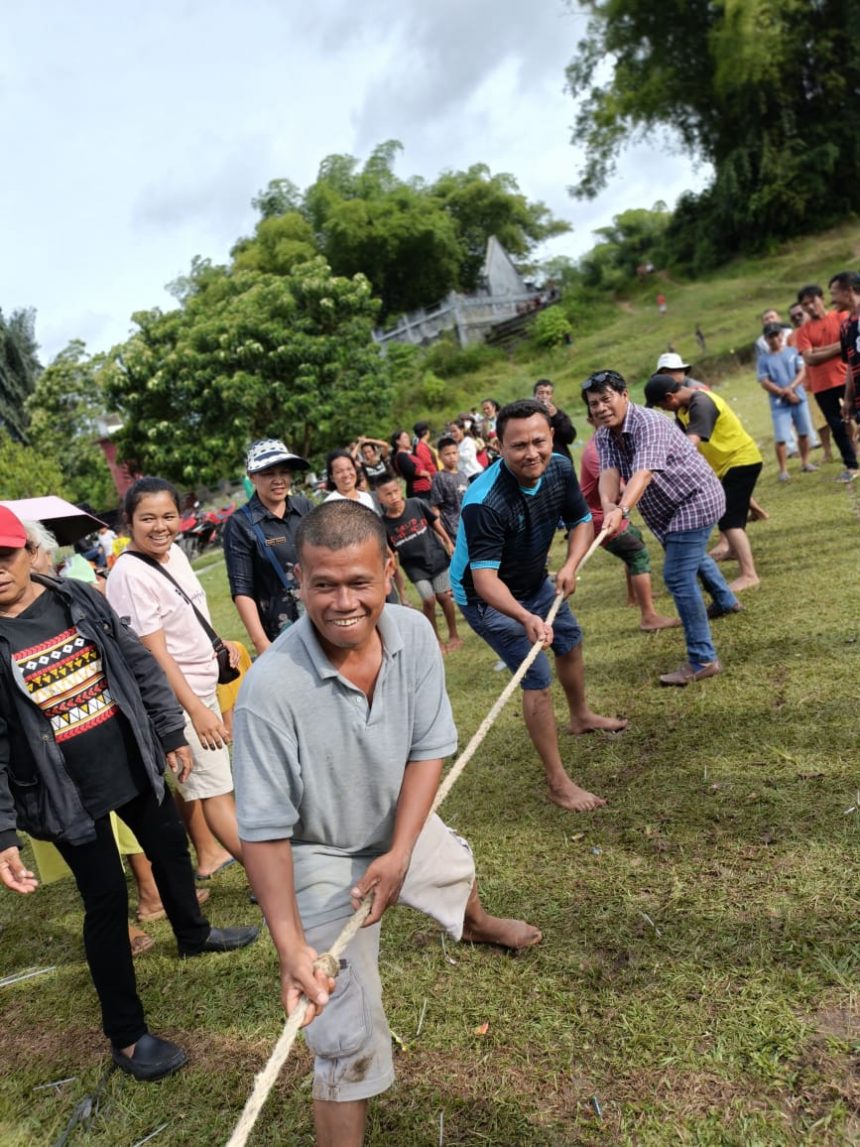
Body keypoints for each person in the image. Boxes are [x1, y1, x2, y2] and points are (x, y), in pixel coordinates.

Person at [231, 500, 540, 1147]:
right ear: (298, 580)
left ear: (388, 569)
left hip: (397, 819)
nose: (342, 601)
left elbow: (429, 747)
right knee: (341, 1038)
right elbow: (261, 830)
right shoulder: (268, 691)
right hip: (317, 857)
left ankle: (476, 924)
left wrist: (400, 851)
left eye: (358, 581)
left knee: (451, 863)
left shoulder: (414, 633)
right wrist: (290, 945)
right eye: (323, 584)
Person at [0, 506, 258, 1082]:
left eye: (5, 554)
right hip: (67, 798)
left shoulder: (75, 597)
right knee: (107, 904)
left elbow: (135, 662)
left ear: (26, 551)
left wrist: (168, 731)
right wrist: (2, 833)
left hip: (135, 763)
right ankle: (128, 1035)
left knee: (170, 848)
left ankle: (192, 933)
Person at [451, 398, 627, 812]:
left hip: (534, 582)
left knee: (570, 640)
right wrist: (525, 616)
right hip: (487, 600)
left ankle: (581, 716)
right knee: (537, 679)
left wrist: (570, 565)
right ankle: (559, 783)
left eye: (538, 441)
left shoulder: (560, 468)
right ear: (498, 447)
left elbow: (582, 520)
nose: (531, 453)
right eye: (518, 446)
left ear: (551, 437)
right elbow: (484, 580)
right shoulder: (484, 502)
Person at [107, 477, 247, 869]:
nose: (160, 526)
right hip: (179, 700)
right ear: (128, 521)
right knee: (217, 791)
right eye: (147, 518)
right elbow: (154, 655)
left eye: (168, 516)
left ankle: (211, 856)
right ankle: (267, 876)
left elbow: (190, 611)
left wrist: (218, 645)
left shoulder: (174, 554)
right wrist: (197, 711)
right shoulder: (130, 575)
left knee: (205, 785)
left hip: (200, 685)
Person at [584, 370, 740, 686]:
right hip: (667, 510)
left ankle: (703, 659)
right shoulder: (605, 434)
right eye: (593, 403)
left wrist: (623, 508)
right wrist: (608, 504)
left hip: (695, 499)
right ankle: (725, 600)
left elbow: (642, 473)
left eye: (606, 399)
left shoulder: (649, 423)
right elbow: (610, 472)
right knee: (686, 555)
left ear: (624, 395)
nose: (600, 408)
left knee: (677, 574)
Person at [643, 374, 763, 593]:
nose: (663, 409)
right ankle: (733, 550)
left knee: (730, 522)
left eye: (661, 404)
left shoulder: (702, 403)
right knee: (727, 513)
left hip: (741, 460)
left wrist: (662, 464)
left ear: (670, 397)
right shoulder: (682, 409)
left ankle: (749, 574)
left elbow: (690, 443)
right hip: (724, 465)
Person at [578, 422, 679, 632]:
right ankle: (649, 617)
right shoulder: (595, 452)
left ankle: (635, 596)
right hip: (600, 518)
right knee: (637, 553)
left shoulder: (608, 444)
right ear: (592, 420)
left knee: (634, 542)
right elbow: (620, 490)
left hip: (612, 512)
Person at [223, 438, 313, 655]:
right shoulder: (240, 524)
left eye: (284, 472)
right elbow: (242, 588)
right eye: (268, 473)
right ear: (252, 477)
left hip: (322, 614)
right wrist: (262, 644)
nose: (278, 480)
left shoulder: (305, 507)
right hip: (282, 632)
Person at [375, 475, 462, 652]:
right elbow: (389, 549)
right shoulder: (383, 523)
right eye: (387, 494)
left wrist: (448, 541)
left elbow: (434, 522)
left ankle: (454, 635)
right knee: (428, 599)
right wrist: (392, 564)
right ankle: (435, 640)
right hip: (414, 567)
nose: (393, 497)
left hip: (436, 557)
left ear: (400, 490)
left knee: (444, 597)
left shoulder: (416, 504)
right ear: (380, 499)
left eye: (395, 491)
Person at [795, 282, 859, 481]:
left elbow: (847, 346)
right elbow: (809, 358)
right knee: (837, 426)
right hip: (821, 385)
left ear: (821, 299)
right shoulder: (803, 331)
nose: (809, 307)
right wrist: (836, 348)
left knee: (856, 419)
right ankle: (851, 465)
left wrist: (820, 350)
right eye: (804, 305)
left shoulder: (841, 317)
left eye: (812, 301)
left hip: (845, 377)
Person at [756, 323, 816, 480]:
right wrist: (783, 392)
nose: (774, 339)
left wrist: (792, 388)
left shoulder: (792, 351)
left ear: (782, 335)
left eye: (777, 335)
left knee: (803, 432)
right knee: (781, 437)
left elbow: (802, 371)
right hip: (779, 404)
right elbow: (764, 381)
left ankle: (805, 462)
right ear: (766, 339)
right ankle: (783, 469)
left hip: (799, 398)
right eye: (770, 336)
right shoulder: (764, 359)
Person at [430, 435, 469, 541]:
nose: (452, 457)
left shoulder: (462, 475)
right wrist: (443, 536)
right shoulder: (439, 477)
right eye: (447, 454)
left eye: (454, 453)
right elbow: (435, 507)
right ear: (439, 456)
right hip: (453, 528)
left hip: (469, 523)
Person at [533, 379, 576, 463]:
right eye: (541, 393)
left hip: (560, 460)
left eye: (548, 393)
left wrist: (556, 417)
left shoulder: (559, 414)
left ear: (551, 396)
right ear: (535, 395)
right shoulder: (529, 415)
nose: (544, 396)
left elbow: (570, 438)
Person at [840, 272, 860, 426]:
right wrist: (848, 398)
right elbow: (850, 364)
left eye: (834, 293)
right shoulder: (845, 326)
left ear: (849, 291)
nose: (832, 299)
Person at [390, 428, 432, 499]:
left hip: (424, 488)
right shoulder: (401, 456)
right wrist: (427, 474)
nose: (408, 439)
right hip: (417, 490)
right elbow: (412, 470)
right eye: (405, 437)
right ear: (398, 441)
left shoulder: (408, 454)